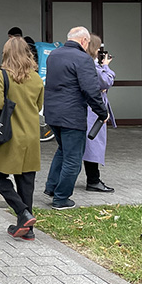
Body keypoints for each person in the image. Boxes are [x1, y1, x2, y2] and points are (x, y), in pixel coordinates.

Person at [0, 37, 44, 240]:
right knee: (26, 182)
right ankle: (28, 230)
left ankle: (22, 212)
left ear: (6, 54)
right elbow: (38, 106)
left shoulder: (0, 76)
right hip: (31, 135)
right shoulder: (36, 78)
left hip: (9, 135)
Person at [43, 26, 109, 210]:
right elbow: (90, 89)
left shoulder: (54, 55)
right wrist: (102, 112)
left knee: (62, 151)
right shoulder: (83, 59)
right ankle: (61, 199)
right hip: (72, 116)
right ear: (84, 41)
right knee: (73, 159)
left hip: (52, 114)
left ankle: (52, 188)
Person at [83, 34, 116, 192]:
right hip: (93, 109)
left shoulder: (83, 62)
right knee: (93, 144)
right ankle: (93, 180)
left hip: (85, 108)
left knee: (88, 145)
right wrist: (106, 66)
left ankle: (92, 179)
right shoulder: (91, 64)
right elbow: (106, 81)